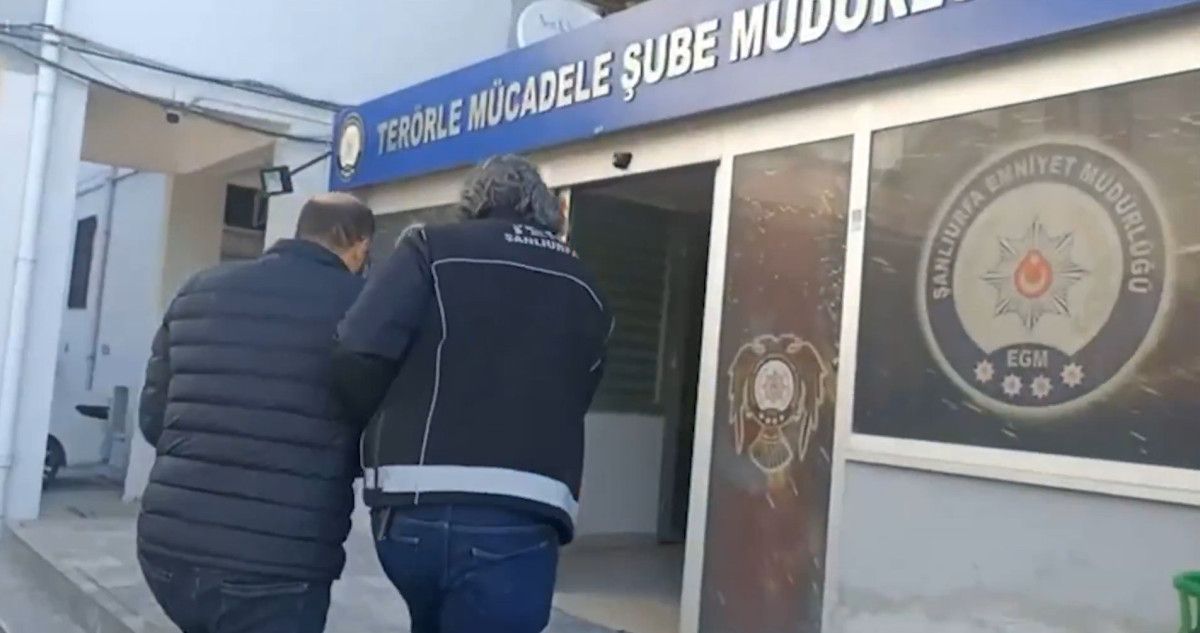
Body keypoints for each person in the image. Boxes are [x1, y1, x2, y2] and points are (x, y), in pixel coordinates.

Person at [332, 155, 611, 633]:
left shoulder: (429, 247)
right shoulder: (586, 285)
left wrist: (374, 428)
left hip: (412, 505)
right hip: (522, 512)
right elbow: (580, 391)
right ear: (548, 209)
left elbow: (358, 349)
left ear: (472, 202)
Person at [135, 193, 375, 633]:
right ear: (360, 246)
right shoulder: (363, 306)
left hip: (168, 551)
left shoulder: (198, 288)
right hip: (276, 565)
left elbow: (153, 418)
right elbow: (378, 433)